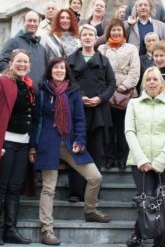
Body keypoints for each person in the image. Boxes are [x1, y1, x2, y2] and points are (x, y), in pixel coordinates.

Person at [29, 57, 111, 246]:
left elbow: (79, 120)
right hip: (47, 143)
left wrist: (80, 140)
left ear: (67, 72)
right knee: (49, 187)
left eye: (62, 68)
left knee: (94, 177)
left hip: (69, 141)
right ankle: (46, 230)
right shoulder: (42, 92)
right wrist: (33, 146)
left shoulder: (73, 92)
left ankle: (90, 211)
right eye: (56, 68)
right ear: (50, 71)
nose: (59, 70)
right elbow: (36, 121)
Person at [0, 49, 35, 245]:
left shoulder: (28, 85)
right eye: (19, 61)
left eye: (26, 62)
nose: (22, 64)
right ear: (11, 63)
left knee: (15, 187)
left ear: (29, 65)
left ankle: (10, 229)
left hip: (23, 143)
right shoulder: (2, 82)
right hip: (5, 143)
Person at [125, 66, 165, 247]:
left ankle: (159, 244)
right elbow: (130, 131)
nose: (151, 82)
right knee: (146, 201)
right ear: (143, 83)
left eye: (155, 79)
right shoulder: (133, 103)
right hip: (140, 163)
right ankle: (139, 233)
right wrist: (142, 159)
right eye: (148, 79)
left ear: (161, 83)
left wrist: (160, 160)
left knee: (164, 204)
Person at [66, 24, 116, 202]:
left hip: (98, 111)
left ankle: (93, 193)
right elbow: (66, 82)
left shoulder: (104, 60)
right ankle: (75, 191)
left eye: (91, 35)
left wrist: (100, 99)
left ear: (96, 38)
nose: (87, 37)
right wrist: (78, 97)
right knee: (76, 149)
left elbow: (112, 84)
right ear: (80, 38)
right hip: (76, 110)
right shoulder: (71, 59)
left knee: (96, 151)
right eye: (84, 34)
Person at [98, 19, 140, 170]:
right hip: (107, 94)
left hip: (126, 94)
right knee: (108, 127)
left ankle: (122, 158)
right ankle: (108, 157)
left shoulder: (131, 48)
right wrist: (107, 89)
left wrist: (124, 86)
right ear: (109, 32)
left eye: (119, 30)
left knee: (123, 128)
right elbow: (99, 70)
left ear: (124, 32)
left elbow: (135, 70)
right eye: (113, 30)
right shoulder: (102, 49)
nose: (116, 33)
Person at [0, 10, 47, 90]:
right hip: (19, 94)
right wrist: (17, 81)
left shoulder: (42, 49)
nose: (32, 23)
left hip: (38, 96)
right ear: (24, 22)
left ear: (39, 24)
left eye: (35, 21)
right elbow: (1, 64)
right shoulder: (13, 42)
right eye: (29, 20)